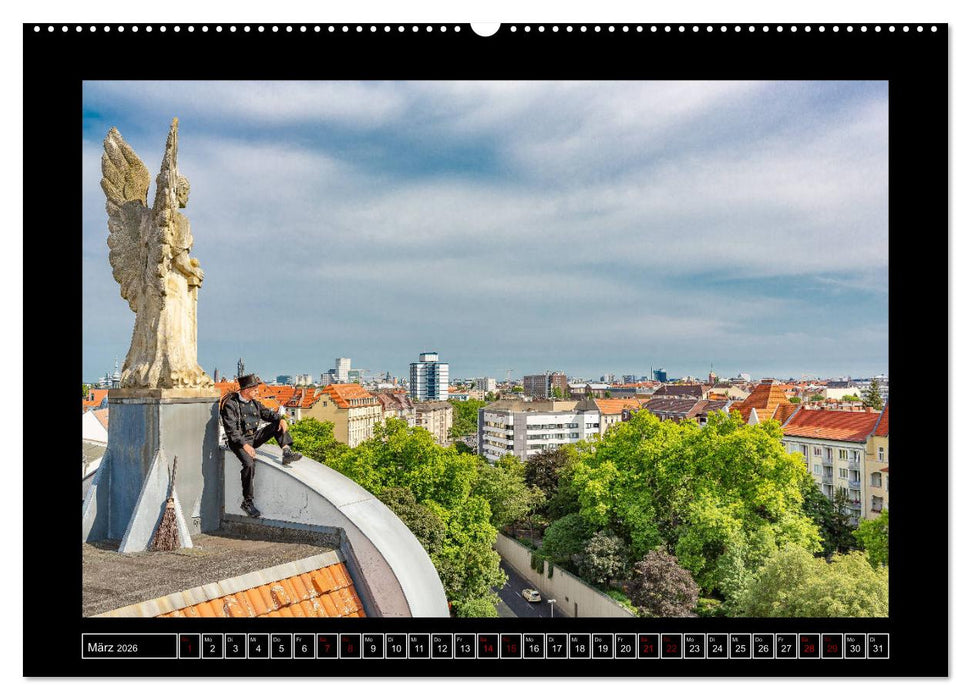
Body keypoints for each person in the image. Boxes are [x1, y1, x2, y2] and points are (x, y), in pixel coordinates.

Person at [220, 374, 302, 517]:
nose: (257, 392)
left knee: (276, 425)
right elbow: (231, 431)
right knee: (249, 465)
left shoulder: (255, 403)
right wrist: (245, 445)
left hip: (253, 437)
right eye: (255, 389)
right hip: (238, 441)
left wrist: (281, 419)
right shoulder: (231, 405)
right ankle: (247, 501)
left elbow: (268, 414)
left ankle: (286, 451)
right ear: (246, 390)